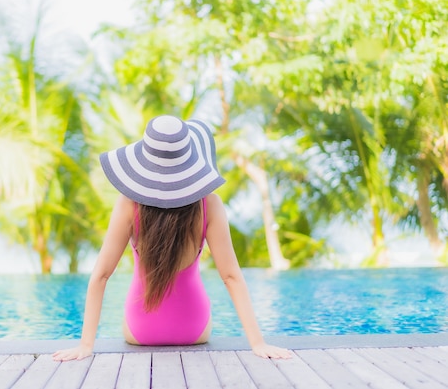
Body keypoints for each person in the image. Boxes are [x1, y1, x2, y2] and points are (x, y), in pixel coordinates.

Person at [52, 115, 292, 361]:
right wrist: (258, 343)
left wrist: (85, 345)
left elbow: (101, 275)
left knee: (127, 313)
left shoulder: (128, 205)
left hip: (141, 331)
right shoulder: (209, 205)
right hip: (194, 330)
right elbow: (231, 277)